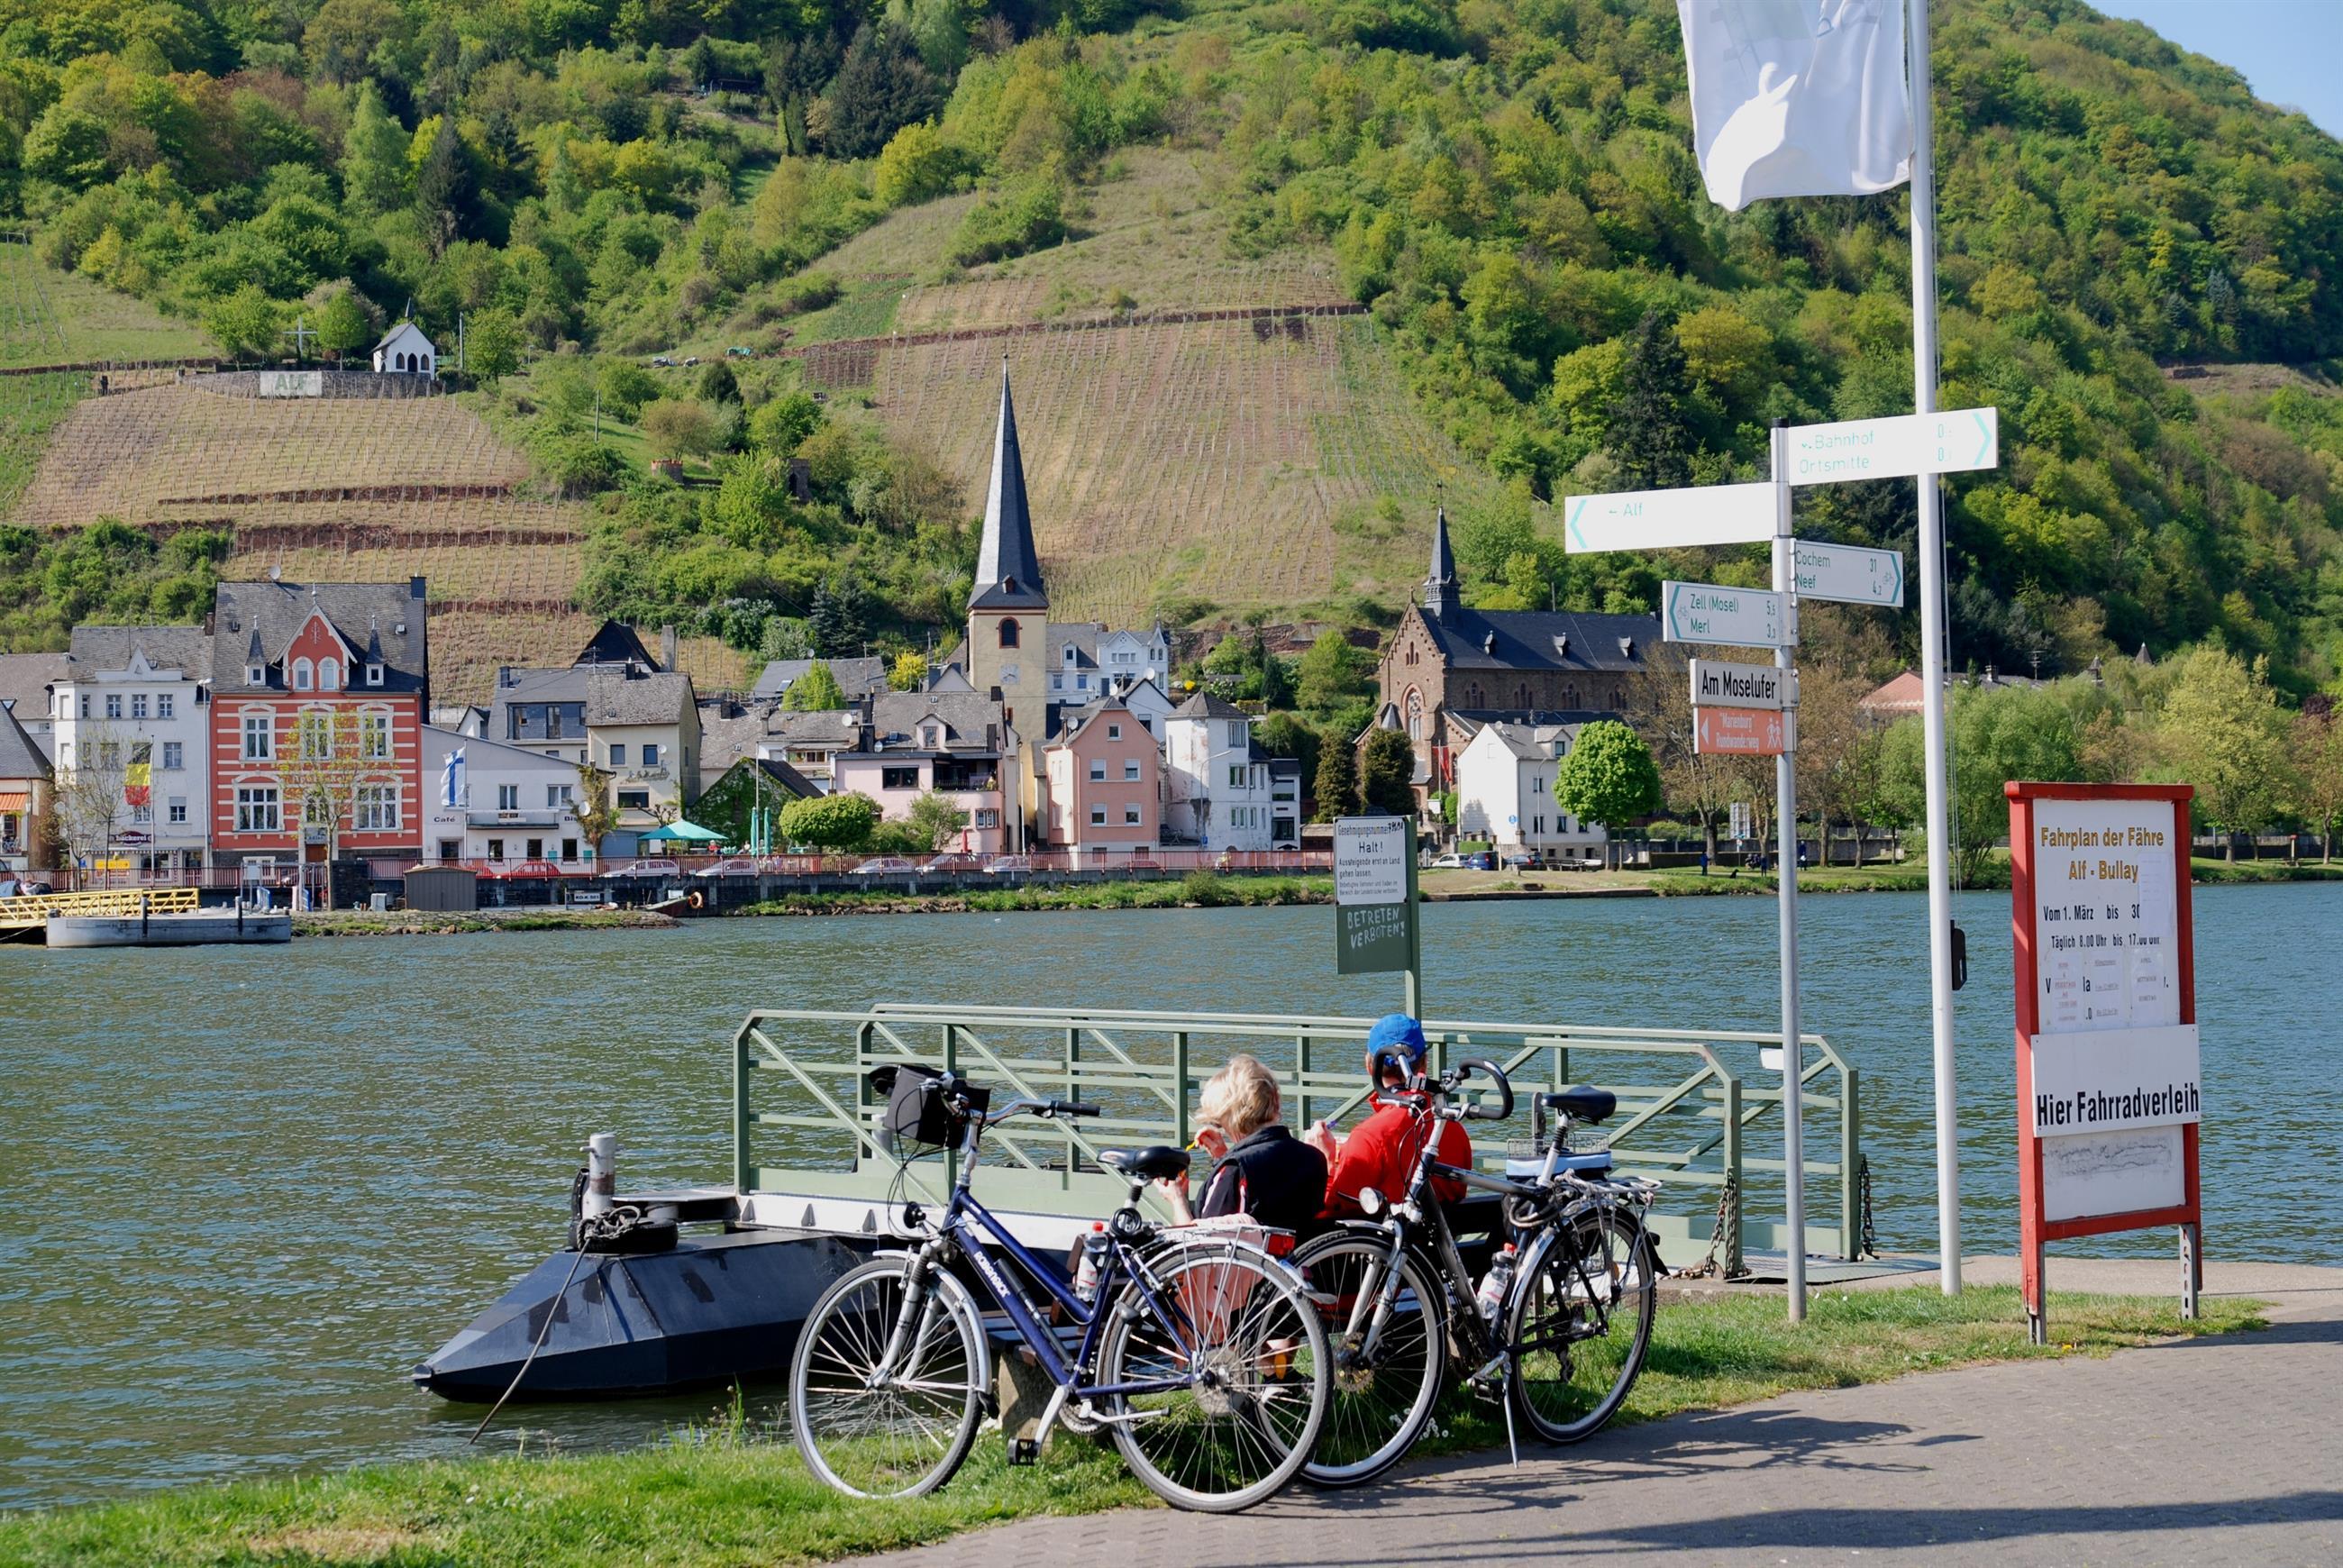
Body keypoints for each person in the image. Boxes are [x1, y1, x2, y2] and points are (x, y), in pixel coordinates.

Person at [1306, 1014, 1474, 1219]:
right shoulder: (1454, 1130)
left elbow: (1333, 1214)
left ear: (1370, 1066)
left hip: (1383, 1248)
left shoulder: (1369, 1136)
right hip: (1439, 1250)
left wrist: (1326, 1162)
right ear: (1424, 1065)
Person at [1154, 1053, 1326, 1236]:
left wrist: (1177, 1198)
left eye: (1218, 1122)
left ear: (1229, 1116)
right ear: (1276, 1099)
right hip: (1296, 1261)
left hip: (1245, 1263)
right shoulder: (1314, 1157)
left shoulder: (1235, 1170)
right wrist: (1224, 1157)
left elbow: (1196, 1246)